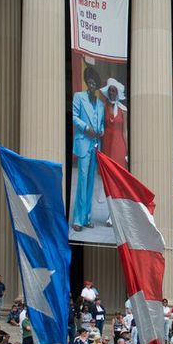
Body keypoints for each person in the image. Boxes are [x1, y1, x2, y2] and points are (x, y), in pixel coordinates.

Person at [70, 66, 105, 230]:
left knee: (91, 182)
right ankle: (78, 219)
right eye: (89, 83)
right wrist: (86, 128)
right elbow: (75, 117)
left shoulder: (100, 105)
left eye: (94, 84)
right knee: (82, 181)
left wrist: (101, 130)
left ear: (97, 86)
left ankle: (87, 218)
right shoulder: (79, 97)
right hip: (84, 142)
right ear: (86, 83)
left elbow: (102, 123)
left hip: (95, 145)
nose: (91, 86)